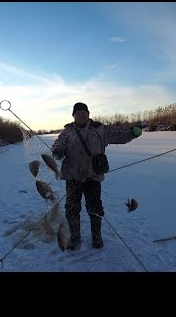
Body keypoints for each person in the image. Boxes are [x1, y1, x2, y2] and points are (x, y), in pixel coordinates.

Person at [51, 102, 142, 250]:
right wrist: (57, 151)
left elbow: (118, 134)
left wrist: (132, 132)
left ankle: (97, 237)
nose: (81, 115)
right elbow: (59, 144)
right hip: (72, 177)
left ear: (88, 114)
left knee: (95, 208)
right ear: (73, 116)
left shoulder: (99, 129)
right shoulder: (67, 132)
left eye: (83, 112)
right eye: (77, 113)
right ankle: (75, 237)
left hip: (92, 177)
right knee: (72, 209)